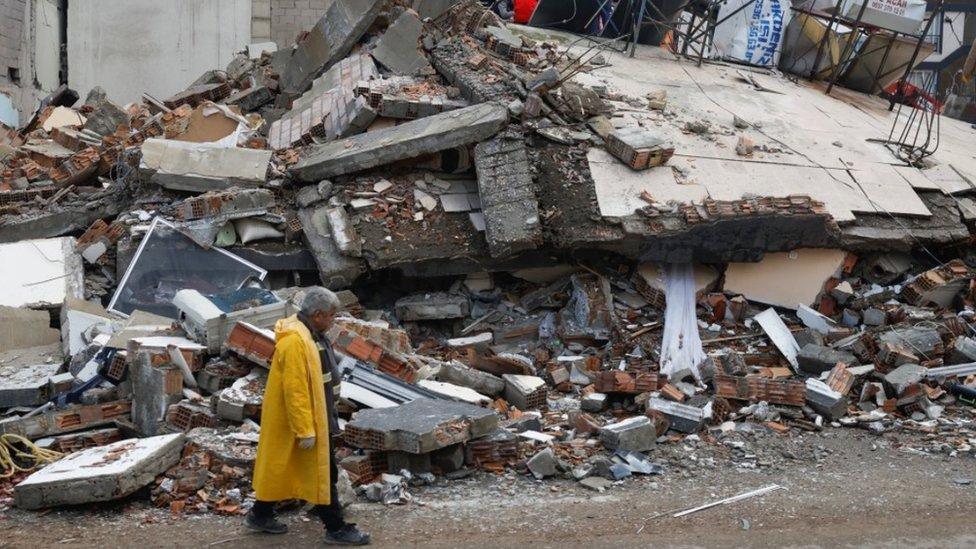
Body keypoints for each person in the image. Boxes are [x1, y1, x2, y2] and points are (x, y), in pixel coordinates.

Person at [246, 287, 371, 546]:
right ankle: (335, 528)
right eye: (331, 316)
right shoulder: (296, 342)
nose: (333, 321)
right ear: (317, 315)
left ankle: (260, 514)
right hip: (307, 420)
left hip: (316, 414)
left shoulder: (311, 334)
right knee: (325, 473)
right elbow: (296, 391)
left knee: (282, 467)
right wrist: (305, 430)